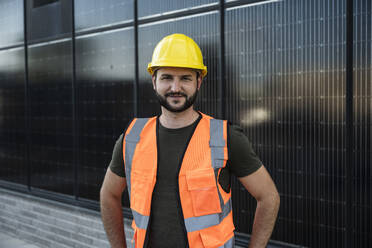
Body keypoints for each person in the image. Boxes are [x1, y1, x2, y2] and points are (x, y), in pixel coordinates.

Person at [100, 33, 280, 248]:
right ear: (154, 81)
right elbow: (108, 194)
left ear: (199, 82)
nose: (176, 88)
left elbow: (269, 197)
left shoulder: (225, 137)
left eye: (185, 78)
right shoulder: (132, 138)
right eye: (167, 77)